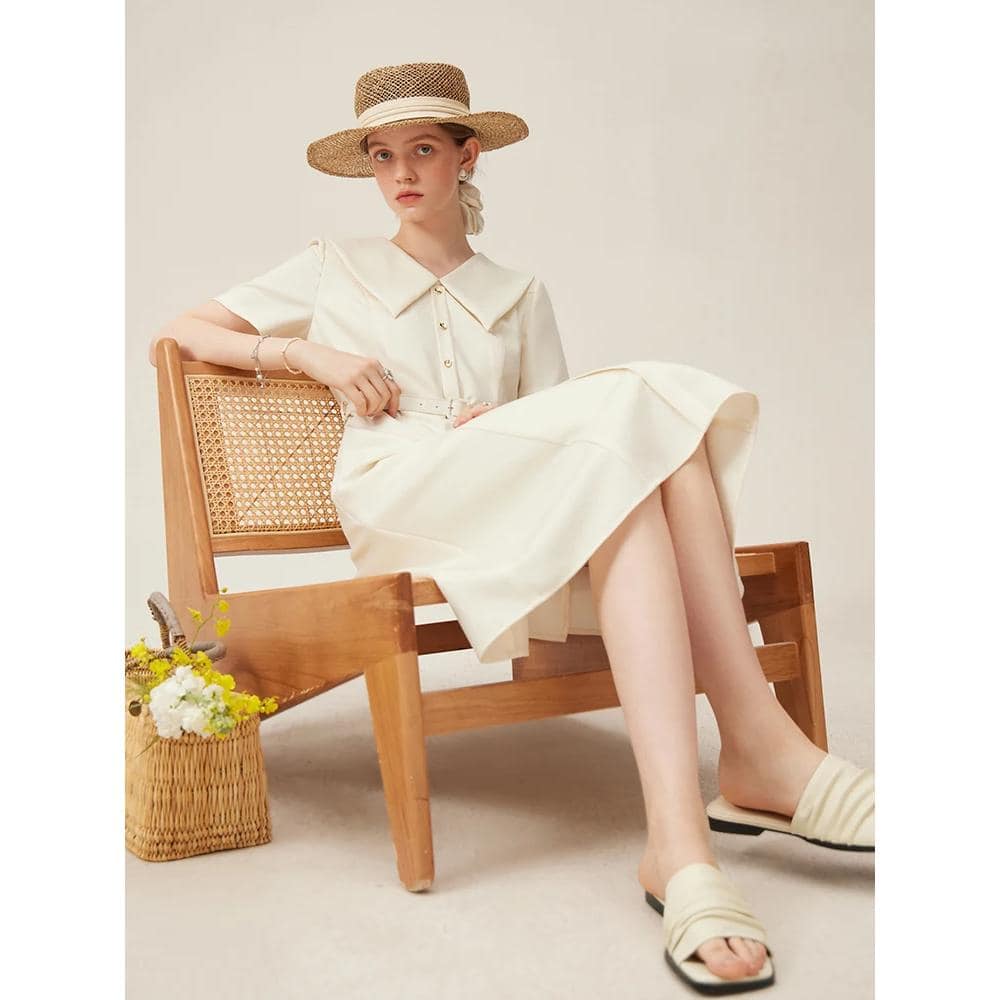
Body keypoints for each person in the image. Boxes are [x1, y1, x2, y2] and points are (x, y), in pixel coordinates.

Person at [147, 61, 873, 995]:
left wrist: (506, 427)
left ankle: (680, 844)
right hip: (399, 487)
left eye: (422, 151)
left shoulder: (519, 290)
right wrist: (306, 352)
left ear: (467, 156)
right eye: (382, 156)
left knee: (643, 440)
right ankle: (756, 749)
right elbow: (183, 327)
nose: (401, 173)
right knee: (651, 409)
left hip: (503, 488)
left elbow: (566, 421)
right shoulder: (333, 267)